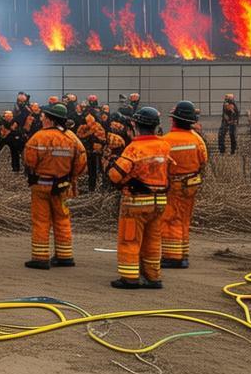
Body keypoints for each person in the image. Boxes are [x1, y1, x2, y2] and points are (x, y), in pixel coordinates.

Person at [105, 107, 172, 289]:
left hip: (136, 203)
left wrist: (110, 163)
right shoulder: (164, 146)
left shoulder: (134, 148)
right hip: (159, 202)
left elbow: (115, 176)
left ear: (135, 125)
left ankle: (129, 277)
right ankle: (153, 277)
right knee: (153, 240)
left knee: (130, 239)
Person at [22, 103, 87, 270]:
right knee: (62, 219)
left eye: (44, 116)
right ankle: (65, 256)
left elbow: (29, 160)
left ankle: (40, 258)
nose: (41, 118)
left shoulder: (38, 137)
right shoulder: (72, 138)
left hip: (40, 186)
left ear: (50, 119)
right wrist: (71, 176)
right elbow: (82, 161)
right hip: (63, 186)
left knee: (41, 221)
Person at [161, 102, 208, 269]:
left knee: (171, 218)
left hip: (174, 185)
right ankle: (183, 254)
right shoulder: (197, 139)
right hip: (192, 184)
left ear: (174, 120)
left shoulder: (166, 141)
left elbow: (161, 164)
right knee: (184, 219)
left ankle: (173, 257)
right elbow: (203, 161)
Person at [76, 109, 107, 192]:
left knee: (99, 170)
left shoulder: (98, 126)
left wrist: (97, 141)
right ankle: (91, 188)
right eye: (88, 120)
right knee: (90, 171)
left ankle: (99, 187)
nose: (89, 122)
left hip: (96, 152)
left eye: (91, 120)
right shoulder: (82, 127)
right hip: (87, 152)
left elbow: (103, 139)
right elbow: (79, 138)